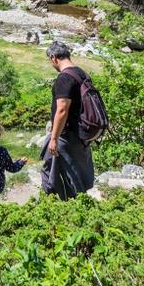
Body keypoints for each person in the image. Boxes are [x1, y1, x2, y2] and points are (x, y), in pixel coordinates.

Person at [41, 40, 95, 199]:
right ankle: (77, 203)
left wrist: (54, 138)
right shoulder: (82, 73)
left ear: (53, 58)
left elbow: (62, 110)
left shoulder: (64, 78)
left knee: (55, 172)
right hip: (81, 133)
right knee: (76, 172)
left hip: (66, 135)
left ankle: (59, 206)